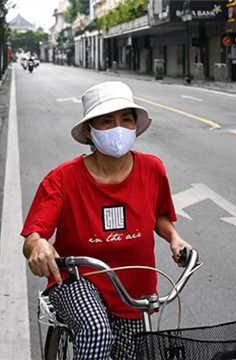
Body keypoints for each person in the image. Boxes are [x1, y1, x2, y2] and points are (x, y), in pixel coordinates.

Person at [21, 81, 193, 359]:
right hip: (78, 280)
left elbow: (159, 214)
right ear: (89, 130)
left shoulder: (153, 169)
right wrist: (39, 245)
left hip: (134, 287)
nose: (119, 128)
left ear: (136, 126)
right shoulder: (63, 179)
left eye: (126, 119)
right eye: (107, 121)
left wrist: (175, 238)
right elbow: (34, 236)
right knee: (97, 331)